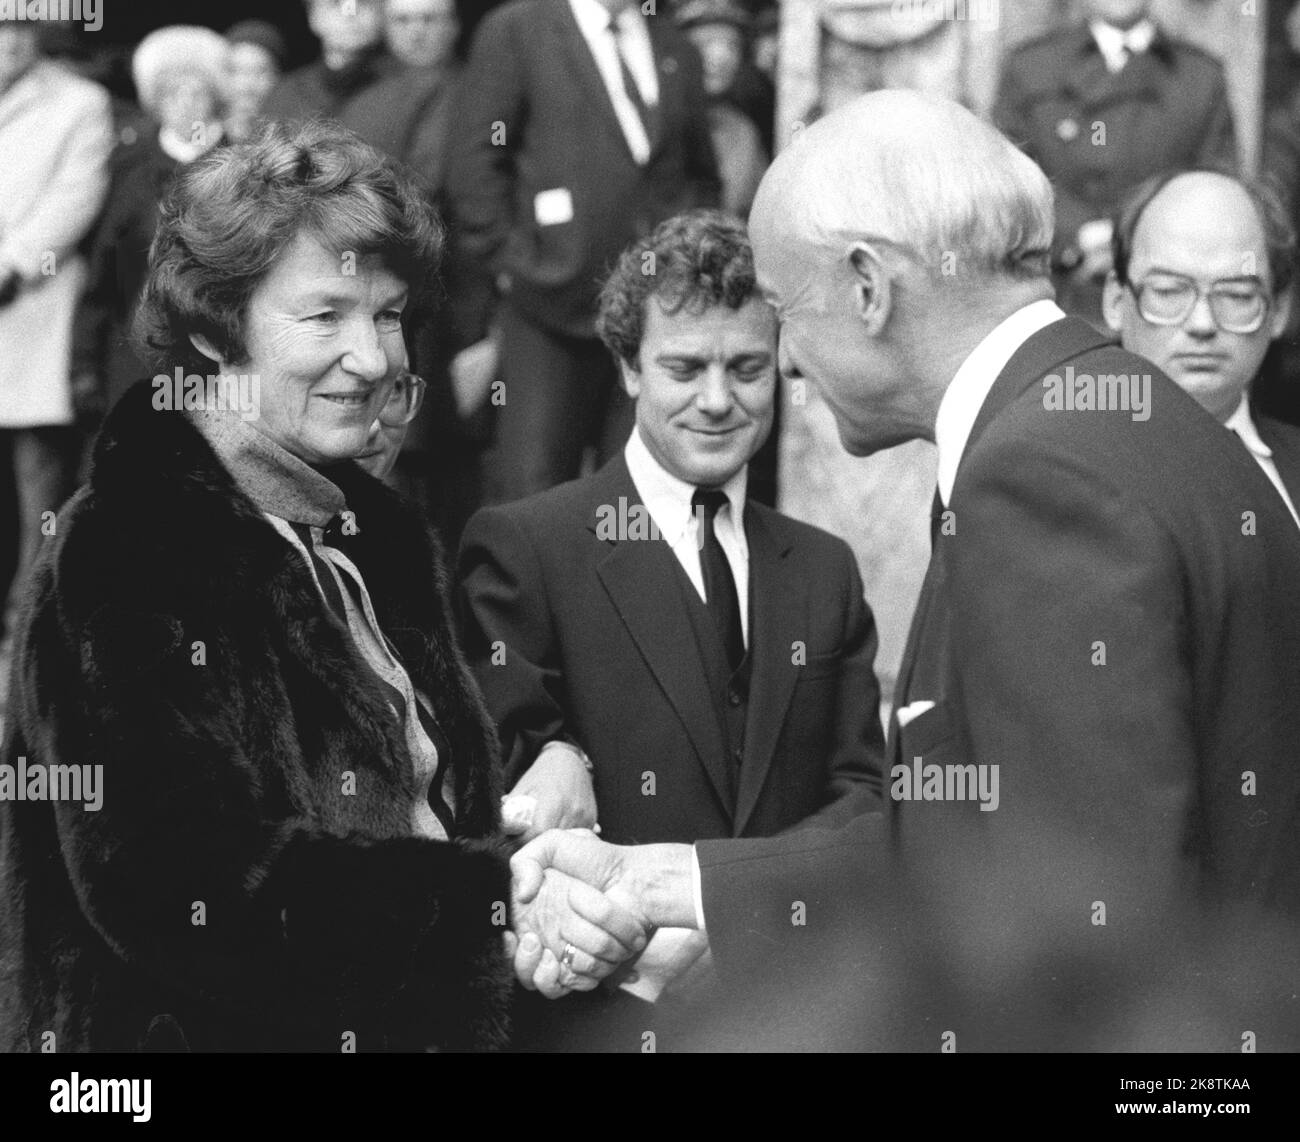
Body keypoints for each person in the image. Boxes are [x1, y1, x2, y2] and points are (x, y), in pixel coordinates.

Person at [507, 90, 1300, 1051]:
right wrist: (668, 882)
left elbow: (1092, 935)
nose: (787, 366)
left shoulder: (1038, 476)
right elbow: (972, 837)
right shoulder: (1123, 417)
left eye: (786, 314)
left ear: (869, 288)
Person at [0, 120, 646, 1052]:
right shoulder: (132, 546)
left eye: (387, 315)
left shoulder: (367, 535)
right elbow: (179, 886)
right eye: (325, 315)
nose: (376, 358)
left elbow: (411, 819)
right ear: (211, 329)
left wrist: (531, 877)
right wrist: (494, 910)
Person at [457, 210, 885, 1049]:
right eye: (685, 367)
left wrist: (744, 920)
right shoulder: (529, 546)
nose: (718, 400)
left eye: (748, 368)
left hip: (796, 1016)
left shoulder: (825, 567)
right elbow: (500, 807)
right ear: (625, 366)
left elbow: (869, 804)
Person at [445, 0, 721, 504]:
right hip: (547, 309)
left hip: (655, 318)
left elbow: (699, 173)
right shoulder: (520, 30)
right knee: (533, 494)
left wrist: (689, 270)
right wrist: (513, 264)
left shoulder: (674, 44)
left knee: (643, 502)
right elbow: (476, 161)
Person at [994, 0, 1236, 326]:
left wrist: (1132, 237)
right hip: (1050, 295)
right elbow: (1006, 177)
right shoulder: (1030, 67)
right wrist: (1081, 235)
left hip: (1159, 301)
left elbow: (1216, 192)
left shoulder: (1200, 77)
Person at [0, 19, 112, 713]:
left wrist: (12, 263)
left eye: (16, 31)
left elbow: (73, 199)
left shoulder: (78, 103)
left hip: (29, 312)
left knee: (38, 479)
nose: (6, 44)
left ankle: (26, 637)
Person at [1103, 170, 1300, 524]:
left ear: (1279, 310)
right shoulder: (1057, 467)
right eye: (1168, 291)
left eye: (1237, 295)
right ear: (1117, 301)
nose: (1202, 324)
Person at [72, 26, 228, 425]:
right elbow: (101, 276)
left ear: (215, 98)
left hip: (223, 355)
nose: (186, 105)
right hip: (137, 355)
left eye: (197, 92)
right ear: (156, 104)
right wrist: (84, 364)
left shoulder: (240, 167)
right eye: (173, 94)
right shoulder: (133, 174)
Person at [675, 0, 769, 218]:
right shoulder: (659, 124)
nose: (720, 56)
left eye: (732, 45)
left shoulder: (741, 130)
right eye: (705, 43)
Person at [263, 0, 393, 125]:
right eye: (336, 2)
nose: (350, 13)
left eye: (363, 1)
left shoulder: (409, 91)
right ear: (313, 14)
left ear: (381, 11)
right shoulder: (284, 95)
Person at [223, 20, 287, 143]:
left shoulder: (291, 132)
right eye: (236, 71)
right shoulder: (201, 128)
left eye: (259, 72)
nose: (246, 86)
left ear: (277, 76)